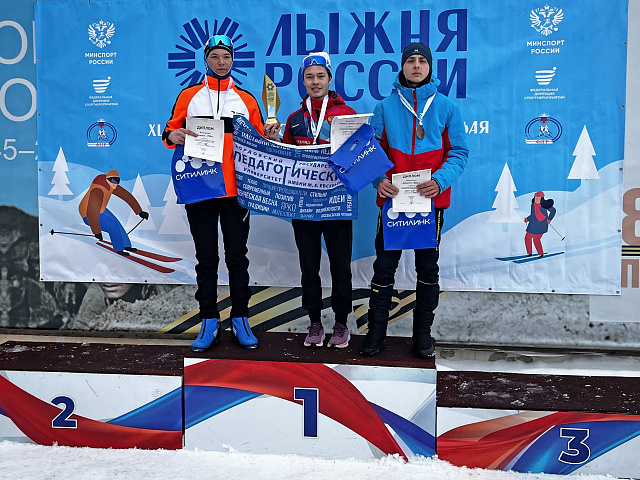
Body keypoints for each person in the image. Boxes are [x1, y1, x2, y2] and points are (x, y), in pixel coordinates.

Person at [359, 42, 469, 358]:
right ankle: (376, 333)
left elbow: (459, 153)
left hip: (429, 202)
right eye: (411, 61)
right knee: (384, 268)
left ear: (430, 67)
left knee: (427, 269)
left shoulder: (447, 107)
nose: (417, 66)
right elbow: (371, 151)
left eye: (422, 61)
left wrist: (439, 181)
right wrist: (379, 181)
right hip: (393, 202)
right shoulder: (384, 107)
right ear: (403, 66)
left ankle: (422, 335)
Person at [162, 35, 264, 352]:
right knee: (206, 259)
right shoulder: (189, 95)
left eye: (226, 57)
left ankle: (241, 318)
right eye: (215, 56)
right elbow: (169, 130)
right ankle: (208, 320)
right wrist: (173, 135)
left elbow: (260, 140)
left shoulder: (246, 99)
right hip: (200, 189)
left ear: (233, 60)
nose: (221, 62)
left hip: (236, 192)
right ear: (206, 59)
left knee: (237, 258)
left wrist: (270, 136)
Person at [264, 52, 356, 348]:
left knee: (341, 267)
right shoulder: (294, 120)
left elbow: (359, 157)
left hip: (337, 203)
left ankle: (341, 323)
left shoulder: (346, 115)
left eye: (320, 76)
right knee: (309, 267)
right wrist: (275, 141)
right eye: (309, 77)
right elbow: (286, 161)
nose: (315, 82)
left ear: (329, 79)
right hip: (303, 205)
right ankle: (314, 322)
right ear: (303, 81)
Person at [78, 169, 149, 256]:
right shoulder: (97, 190)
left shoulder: (111, 185)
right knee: (113, 226)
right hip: (87, 214)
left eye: (117, 180)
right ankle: (119, 249)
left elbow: (127, 196)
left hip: (100, 209)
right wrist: (96, 231)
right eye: (113, 180)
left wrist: (140, 212)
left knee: (117, 223)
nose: (115, 183)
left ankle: (126, 245)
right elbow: (91, 211)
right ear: (107, 179)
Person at [524, 191, 556, 257]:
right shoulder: (533, 205)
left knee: (536, 239)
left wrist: (549, 219)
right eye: (536, 198)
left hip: (541, 225)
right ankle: (529, 253)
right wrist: (527, 219)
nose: (537, 200)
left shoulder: (544, 206)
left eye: (538, 198)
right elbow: (533, 215)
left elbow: (553, 210)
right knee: (527, 238)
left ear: (542, 199)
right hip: (533, 224)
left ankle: (540, 253)